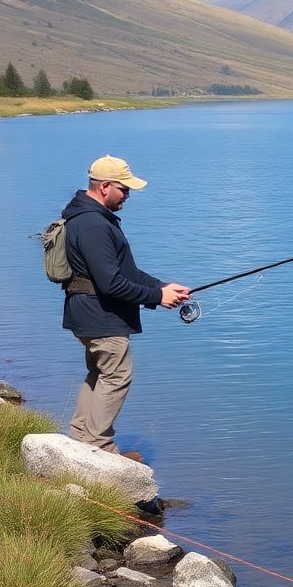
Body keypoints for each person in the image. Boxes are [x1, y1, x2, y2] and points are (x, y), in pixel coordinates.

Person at [61, 154, 189, 457]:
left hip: (88, 312)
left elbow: (125, 273)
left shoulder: (88, 217)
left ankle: (81, 438)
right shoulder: (93, 225)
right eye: (125, 189)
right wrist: (157, 298)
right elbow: (110, 284)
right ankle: (99, 446)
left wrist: (161, 286)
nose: (128, 195)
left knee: (99, 375)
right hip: (100, 315)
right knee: (116, 376)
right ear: (105, 186)